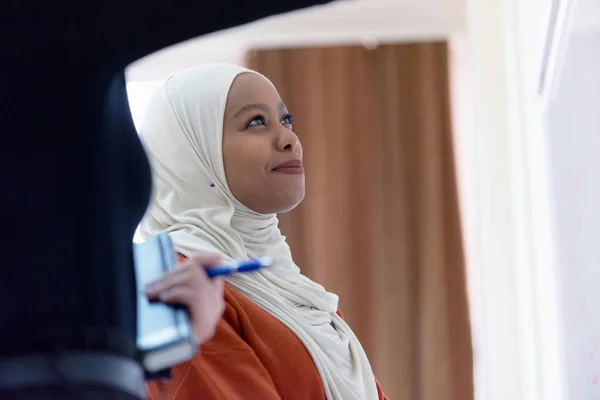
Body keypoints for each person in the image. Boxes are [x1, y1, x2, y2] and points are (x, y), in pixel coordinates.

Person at [139, 64, 388, 400]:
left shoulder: (294, 293)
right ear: (192, 157)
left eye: (286, 120)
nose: (290, 139)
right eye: (256, 122)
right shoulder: (188, 293)